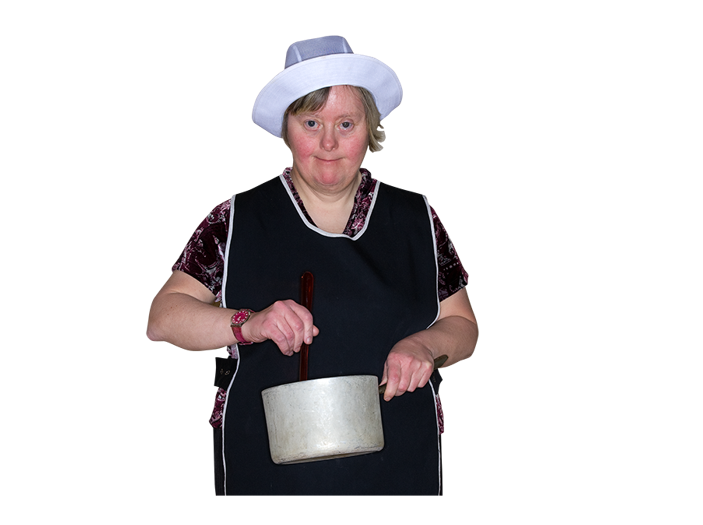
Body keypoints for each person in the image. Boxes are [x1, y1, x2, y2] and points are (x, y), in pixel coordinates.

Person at [146, 35, 478, 496]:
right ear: (286, 128)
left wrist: (425, 346)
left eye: (346, 123)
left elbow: (463, 326)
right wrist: (249, 323)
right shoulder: (236, 218)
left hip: (400, 467)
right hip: (266, 470)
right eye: (310, 122)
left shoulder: (417, 218)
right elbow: (162, 320)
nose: (327, 143)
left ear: (371, 127)